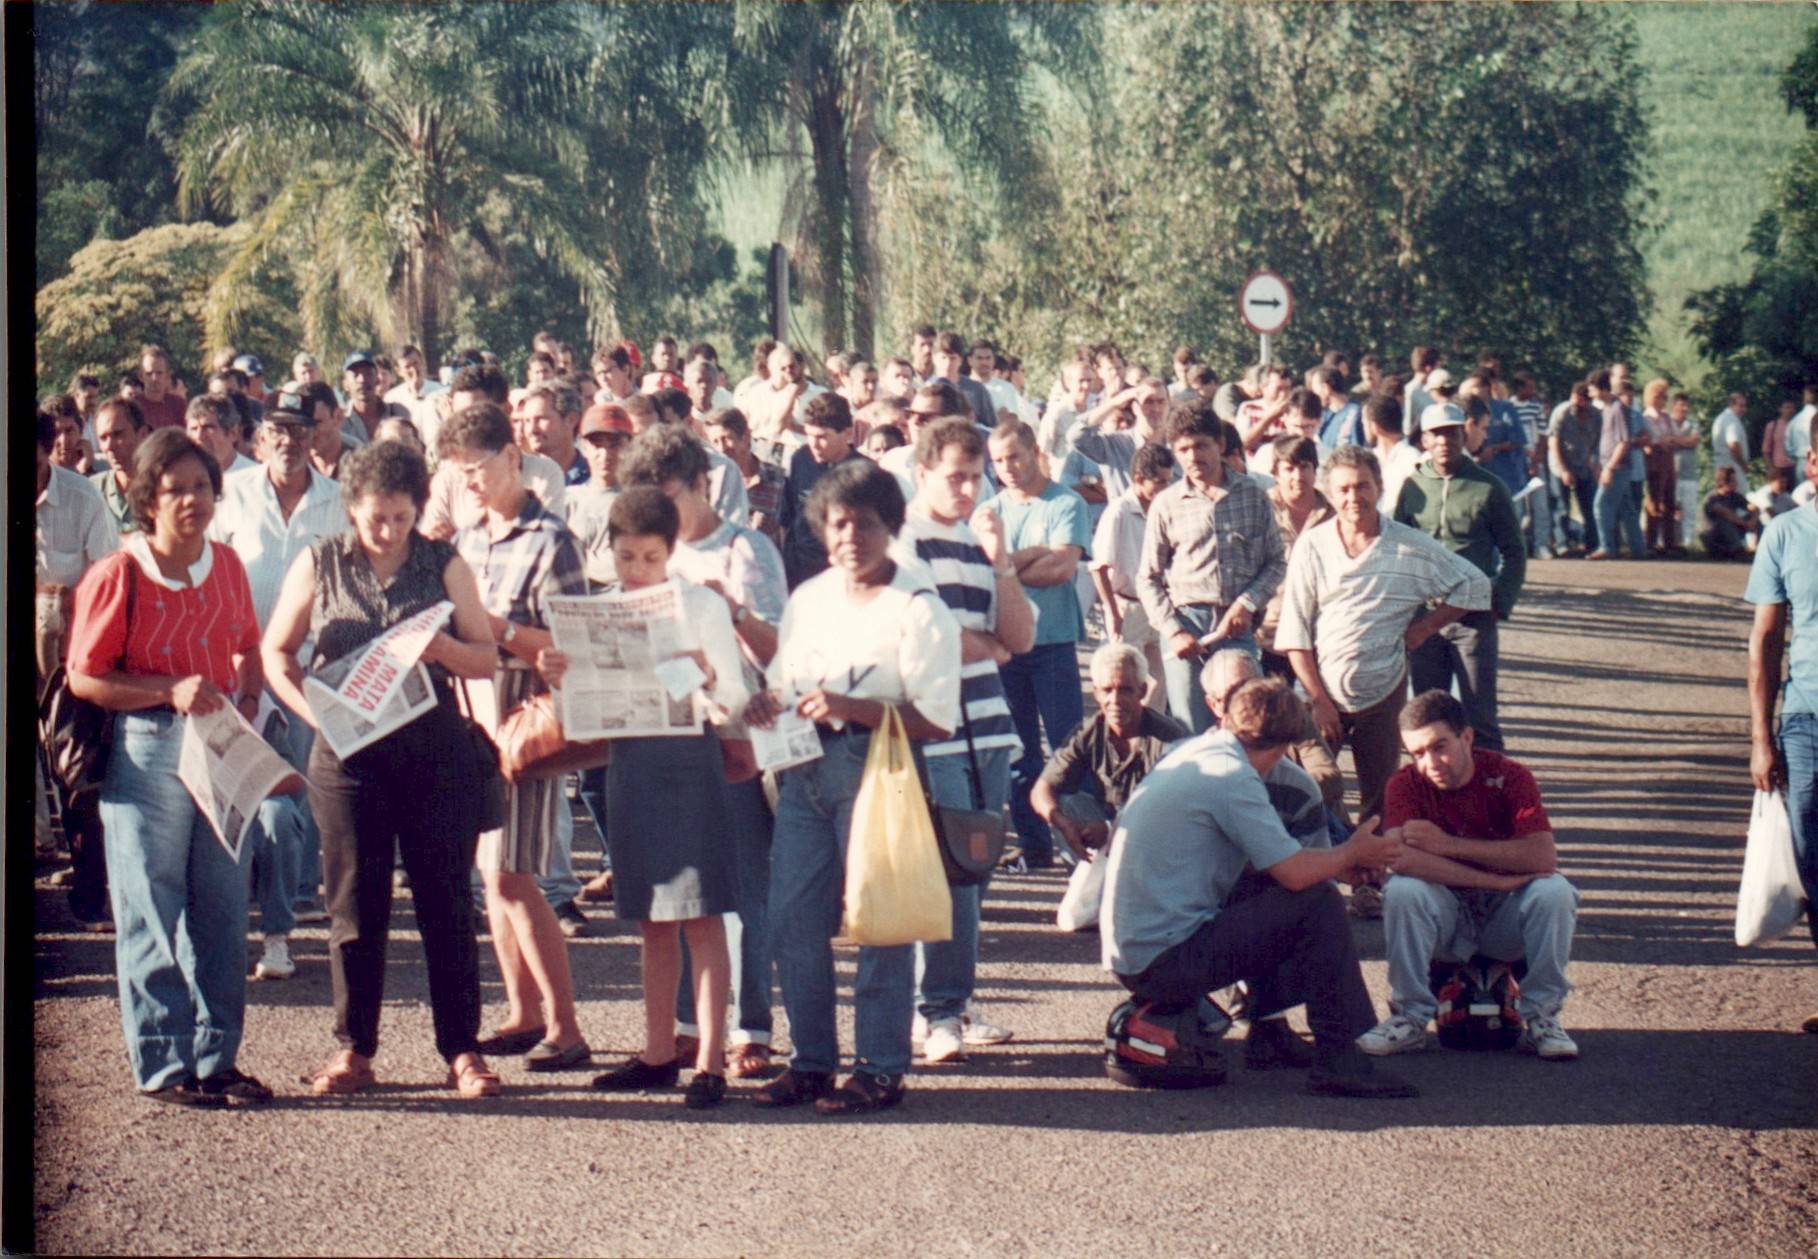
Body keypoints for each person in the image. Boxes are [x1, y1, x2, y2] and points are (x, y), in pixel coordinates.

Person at [261, 441, 504, 1096]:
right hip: (347, 757)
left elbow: (487, 658)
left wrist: (445, 646)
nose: (389, 530)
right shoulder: (321, 562)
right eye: (376, 518)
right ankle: (355, 1048)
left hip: (434, 753)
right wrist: (312, 712)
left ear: (417, 510)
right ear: (352, 508)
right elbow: (276, 652)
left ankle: (463, 1049)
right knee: (353, 905)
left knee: (446, 903)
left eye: (401, 517)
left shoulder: (443, 562)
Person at [743, 460, 961, 1115]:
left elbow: (934, 718)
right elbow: (783, 682)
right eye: (839, 523)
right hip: (804, 768)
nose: (851, 537)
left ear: (890, 527)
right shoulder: (810, 598)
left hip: (879, 767)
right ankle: (811, 1062)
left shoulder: (918, 609)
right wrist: (765, 704)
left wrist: (854, 705)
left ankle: (879, 1068)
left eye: (865, 524)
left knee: (879, 921)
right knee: (793, 921)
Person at [66, 429, 272, 1107]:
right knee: (151, 904)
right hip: (148, 743)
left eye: (203, 486)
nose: (192, 499)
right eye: (176, 488)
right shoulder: (119, 573)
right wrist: (167, 689)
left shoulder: (229, 566)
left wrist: (243, 701)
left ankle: (218, 1058)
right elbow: (85, 677)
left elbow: (248, 647)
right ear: (147, 499)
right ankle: (163, 1062)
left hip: (217, 741)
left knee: (219, 903)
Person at [1099, 677, 1416, 1098]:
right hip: (1161, 962)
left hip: (1137, 951)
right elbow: (1296, 875)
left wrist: (1341, 865)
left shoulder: (1195, 752)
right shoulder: (1233, 776)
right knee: (1316, 903)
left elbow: (1271, 865)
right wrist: (1353, 852)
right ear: (1285, 744)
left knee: (1275, 891)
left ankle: (1268, 1032)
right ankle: (1341, 1058)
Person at [539, 488, 747, 1109]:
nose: (636, 571)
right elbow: (577, 717)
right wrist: (559, 677)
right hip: (629, 764)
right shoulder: (598, 608)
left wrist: (705, 672)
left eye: (650, 558)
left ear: (671, 551)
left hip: (689, 762)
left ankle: (709, 1060)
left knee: (703, 915)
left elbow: (735, 697)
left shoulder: (700, 604)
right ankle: (658, 1052)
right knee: (652, 919)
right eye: (627, 557)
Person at [618, 426, 787, 1079]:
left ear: (699, 483)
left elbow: (777, 650)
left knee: (740, 890)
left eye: (666, 492)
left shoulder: (746, 549)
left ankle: (752, 1029)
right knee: (672, 900)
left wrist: (733, 615)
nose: (657, 506)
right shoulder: (644, 557)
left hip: (741, 733)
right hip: (661, 743)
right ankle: (684, 1029)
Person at [1275, 444, 1492, 912]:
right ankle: (1319, 872)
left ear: (1380, 488)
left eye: (1363, 487)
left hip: (1384, 688)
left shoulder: (1410, 546)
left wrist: (1424, 627)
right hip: (1320, 692)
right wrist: (1318, 699)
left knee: (1380, 796)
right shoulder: (1313, 545)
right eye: (1344, 489)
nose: (1354, 498)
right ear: (1329, 494)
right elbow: (1294, 633)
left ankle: (1369, 881)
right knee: (1312, 785)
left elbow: (1476, 584)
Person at [445, 403, 590, 1071]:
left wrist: (495, 626)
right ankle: (524, 1010)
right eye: (459, 472)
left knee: (512, 874)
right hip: (473, 718)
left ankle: (565, 1023)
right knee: (489, 875)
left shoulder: (552, 539)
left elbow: (572, 644)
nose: (470, 482)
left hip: (526, 718)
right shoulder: (470, 537)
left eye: (477, 468)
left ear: (512, 457)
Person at [895, 417, 1035, 1063]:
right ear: (923, 472)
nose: (966, 487)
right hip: (937, 731)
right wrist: (982, 643)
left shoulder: (979, 538)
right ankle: (938, 1010)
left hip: (990, 726)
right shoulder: (906, 542)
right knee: (952, 872)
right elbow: (929, 637)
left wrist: (1001, 558)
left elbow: (1021, 638)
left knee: (976, 870)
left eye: (974, 475)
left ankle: (948, 1001)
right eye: (954, 475)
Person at [1357, 690, 1581, 1061]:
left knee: (1555, 891)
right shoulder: (1405, 783)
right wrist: (1493, 879)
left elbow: (1543, 857)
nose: (1430, 762)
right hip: (1446, 918)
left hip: (1502, 919)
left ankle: (1542, 1016)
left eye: (1439, 746)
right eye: (1417, 753)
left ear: (1467, 737)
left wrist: (1446, 844)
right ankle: (1410, 1017)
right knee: (1402, 890)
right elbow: (1401, 860)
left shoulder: (1509, 776)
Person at [210, 388, 351, 976]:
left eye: (299, 429)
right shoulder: (232, 494)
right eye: (277, 430)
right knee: (236, 798)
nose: (289, 440)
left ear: (314, 435)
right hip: (238, 669)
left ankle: (289, 915)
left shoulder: (338, 501)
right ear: (260, 437)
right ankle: (239, 920)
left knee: (303, 795)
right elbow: (210, 572)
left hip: (305, 672)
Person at [979, 418, 1091, 870]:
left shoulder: (1067, 502)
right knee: (1019, 749)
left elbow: (1061, 569)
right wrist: (1028, 557)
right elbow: (983, 575)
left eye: (1014, 457)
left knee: (1068, 745)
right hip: (1005, 645)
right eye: (998, 461)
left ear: (1034, 452)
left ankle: (1080, 838)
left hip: (1054, 642)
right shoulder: (989, 511)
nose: (1007, 468)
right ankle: (1033, 843)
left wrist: (1004, 564)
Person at [1137, 398, 1286, 735]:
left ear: (1219, 444)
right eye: (1184, 448)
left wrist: (1247, 604)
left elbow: (1276, 561)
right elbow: (1147, 577)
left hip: (1237, 627)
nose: (1193, 456)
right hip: (1187, 627)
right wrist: (1173, 630)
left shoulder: (1253, 495)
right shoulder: (1166, 504)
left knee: (1248, 725)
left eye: (1201, 445)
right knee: (1190, 730)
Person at [1394, 403, 1525, 752]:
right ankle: (1430, 799)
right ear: (1424, 439)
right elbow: (1397, 550)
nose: (1444, 441)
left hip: (1473, 619)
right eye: (1436, 433)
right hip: (1426, 619)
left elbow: (1515, 551)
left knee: (1480, 717)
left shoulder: (1488, 487)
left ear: (1463, 435)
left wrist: (1500, 602)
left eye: (1451, 432)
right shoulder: (1413, 487)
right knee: (1426, 717)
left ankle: (1492, 796)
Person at [37, 411, 122, 928]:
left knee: (76, 772)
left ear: (49, 450)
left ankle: (91, 894)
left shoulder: (82, 498)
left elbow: (106, 578)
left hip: (67, 648)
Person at [1744, 438, 1818, 1033]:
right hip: (1806, 719)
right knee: (1812, 857)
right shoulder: (1786, 534)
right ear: (1813, 464)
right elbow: (1766, 642)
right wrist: (1760, 740)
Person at [1031, 642, 1188, 864]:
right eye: (1107, 690)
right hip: (1112, 826)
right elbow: (1041, 790)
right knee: (1066, 804)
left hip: (1159, 836)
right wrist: (1065, 824)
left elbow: (1176, 812)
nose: (1114, 701)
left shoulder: (1169, 737)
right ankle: (1088, 884)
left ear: (1142, 691)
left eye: (1125, 690)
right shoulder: (1088, 732)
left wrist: (1110, 829)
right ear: (1095, 693)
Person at [421, 364, 567, 540]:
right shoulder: (446, 481)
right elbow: (429, 551)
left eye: (477, 416)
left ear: (506, 410)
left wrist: (458, 541)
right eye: (459, 416)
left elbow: (547, 541)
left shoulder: (544, 474)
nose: (465, 427)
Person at [1089, 443, 1177, 704]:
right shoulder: (1119, 511)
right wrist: (1113, 613)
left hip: (1158, 606)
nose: (1166, 488)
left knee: (1159, 685)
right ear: (1139, 479)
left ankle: (1150, 742)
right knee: (1125, 682)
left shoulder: (1163, 509)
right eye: (1160, 482)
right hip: (1128, 606)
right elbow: (1099, 567)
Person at [1258, 434, 1333, 678]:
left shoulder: (1333, 515)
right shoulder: (1260, 510)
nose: (1297, 476)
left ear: (1315, 470)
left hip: (1320, 639)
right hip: (1270, 637)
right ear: (1275, 473)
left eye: (1304, 467)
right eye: (1289, 468)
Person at [778, 392, 868, 588]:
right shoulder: (800, 459)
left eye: (822, 437)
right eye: (809, 435)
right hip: (800, 572)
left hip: (844, 574)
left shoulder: (866, 473)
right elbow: (787, 518)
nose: (814, 445)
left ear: (847, 433)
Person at [703, 407, 785, 550]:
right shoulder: (708, 484)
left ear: (746, 436)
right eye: (715, 442)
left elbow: (790, 529)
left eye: (727, 439)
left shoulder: (778, 478)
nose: (721, 448)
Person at [90, 398, 146, 535]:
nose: (109, 446)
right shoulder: (91, 491)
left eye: (118, 434)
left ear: (142, 434)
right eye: (103, 438)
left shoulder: (163, 488)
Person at [1700, 466, 1758, 560]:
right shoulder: (1712, 498)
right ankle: (1738, 551)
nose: (1736, 483)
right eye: (1733, 481)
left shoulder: (1735, 496)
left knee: (1755, 519)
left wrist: (1753, 520)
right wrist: (1746, 524)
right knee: (1724, 522)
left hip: (1730, 533)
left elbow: (1753, 508)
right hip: (1712, 536)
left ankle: (1759, 549)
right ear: (1723, 482)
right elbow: (1726, 513)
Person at [1710, 393, 1751, 489]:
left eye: (1745, 406)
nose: (1744, 409)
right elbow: (1733, 445)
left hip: (1722, 467)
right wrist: (1744, 466)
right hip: (1732, 468)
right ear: (1731, 405)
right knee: (1738, 499)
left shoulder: (1721, 418)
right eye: (1740, 406)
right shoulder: (1731, 420)